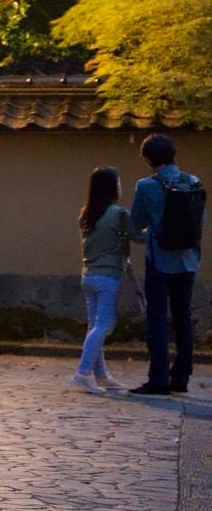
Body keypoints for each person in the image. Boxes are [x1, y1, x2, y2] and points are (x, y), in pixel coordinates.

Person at [128, 133, 201, 395]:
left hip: (159, 259)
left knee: (157, 318)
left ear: (147, 159)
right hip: (189, 259)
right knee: (183, 317)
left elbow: (137, 222)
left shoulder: (146, 186)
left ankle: (158, 378)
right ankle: (181, 377)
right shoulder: (193, 181)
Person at [72, 167, 131, 394]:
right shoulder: (118, 213)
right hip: (108, 276)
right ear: (112, 187)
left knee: (94, 326)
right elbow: (138, 235)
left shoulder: (86, 213)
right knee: (104, 325)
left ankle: (102, 375)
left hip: (88, 275)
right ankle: (83, 372)